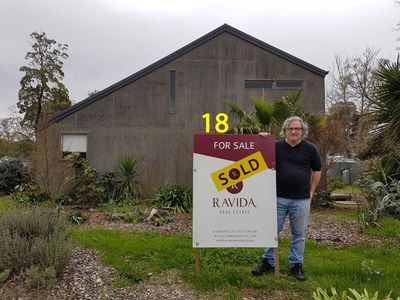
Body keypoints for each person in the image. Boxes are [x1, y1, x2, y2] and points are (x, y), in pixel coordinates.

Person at [252, 116, 322, 281]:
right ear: (284, 131)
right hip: (277, 198)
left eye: (297, 129)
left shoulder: (310, 149)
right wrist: (261, 139)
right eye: (290, 129)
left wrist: (311, 191)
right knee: (271, 231)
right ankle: (268, 262)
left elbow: (317, 170)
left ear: (302, 131)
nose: (294, 131)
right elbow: (256, 155)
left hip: (301, 200)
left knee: (299, 234)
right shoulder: (275, 146)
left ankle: (296, 265)